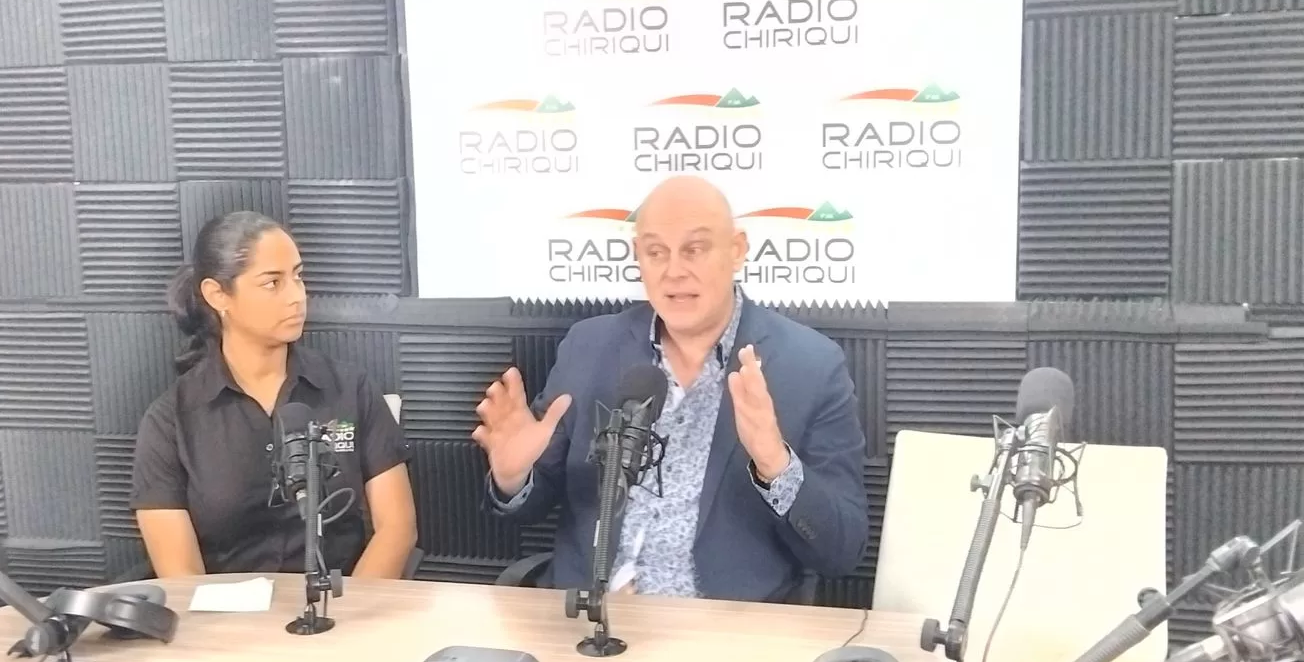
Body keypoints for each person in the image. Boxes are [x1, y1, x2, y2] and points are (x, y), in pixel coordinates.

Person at [475, 175, 869, 603]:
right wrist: (513, 478)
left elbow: (842, 551)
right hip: (586, 616)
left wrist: (776, 465)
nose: (674, 271)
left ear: (737, 250)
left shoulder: (810, 365)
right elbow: (535, 499)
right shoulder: (588, 348)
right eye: (656, 252)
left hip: (723, 627)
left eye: (694, 249)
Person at [130, 211, 418, 579]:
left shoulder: (352, 389)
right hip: (223, 613)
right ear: (217, 294)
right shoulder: (170, 421)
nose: (297, 296)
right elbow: (181, 575)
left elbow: (397, 530)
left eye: (298, 277)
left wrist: (347, 609)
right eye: (272, 283)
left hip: (341, 605)